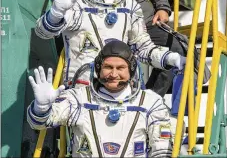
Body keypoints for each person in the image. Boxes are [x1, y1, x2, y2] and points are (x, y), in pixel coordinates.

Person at [35, 0, 185, 88]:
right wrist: (56, 13)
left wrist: (171, 58)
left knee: (177, 46)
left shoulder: (130, 8)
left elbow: (143, 49)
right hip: (82, 93)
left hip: (121, 94)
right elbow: (44, 32)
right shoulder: (77, 6)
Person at [27, 40, 174, 157]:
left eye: (121, 68)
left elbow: (161, 151)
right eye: (108, 67)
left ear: (131, 70)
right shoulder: (78, 99)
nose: (114, 74)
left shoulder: (150, 103)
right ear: (98, 69)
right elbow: (39, 124)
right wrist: (41, 107)